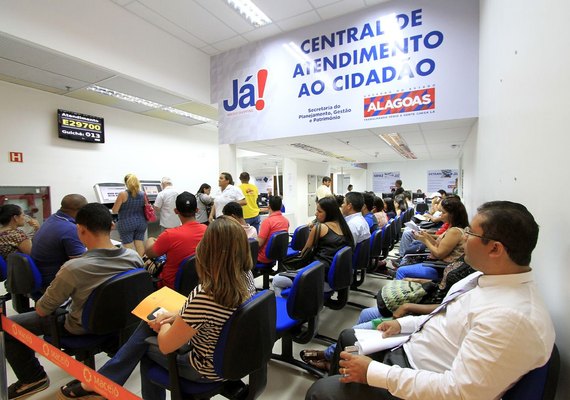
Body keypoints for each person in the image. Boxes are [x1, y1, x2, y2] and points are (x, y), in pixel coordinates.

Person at [306, 201, 555, 400]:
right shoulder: (486, 279)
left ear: (495, 249)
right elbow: (446, 315)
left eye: (471, 233)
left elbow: (460, 392)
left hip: (421, 376)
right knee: (349, 337)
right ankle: (342, 382)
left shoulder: (512, 319)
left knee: (319, 392)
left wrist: (373, 372)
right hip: (413, 349)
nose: (464, 238)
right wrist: (405, 325)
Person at [59, 216, 256, 400]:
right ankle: (102, 380)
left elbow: (165, 346)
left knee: (147, 343)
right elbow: (209, 314)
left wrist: (161, 322)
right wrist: (175, 316)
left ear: (207, 249)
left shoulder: (206, 294)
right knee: (150, 326)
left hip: (204, 368)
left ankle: (101, 381)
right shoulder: (245, 276)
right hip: (228, 354)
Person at [6, 203, 143, 400]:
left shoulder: (73, 268)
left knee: (12, 327)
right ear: (112, 226)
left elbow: (43, 310)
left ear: (80, 229)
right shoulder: (134, 256)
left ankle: (33, 378)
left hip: (80, 326)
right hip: (121, 323)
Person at [301, 258, 476, 372]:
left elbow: (444, 307)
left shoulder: (478, 287)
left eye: (471, 232)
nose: (466, 234)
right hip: (425, 303)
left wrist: (408, 306)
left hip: (421, 312)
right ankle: (337, 357)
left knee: (354, 333)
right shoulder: (469, 268)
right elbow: (442, 288)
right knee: (366, 313)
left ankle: (331, 357)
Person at [272, 196, 354, 296]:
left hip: (318, 278)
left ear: (329, 212)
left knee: (276, 280)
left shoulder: (320, 228)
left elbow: (304, 254)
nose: (316, 214)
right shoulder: (344, 227)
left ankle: (286, 310)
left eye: (319, 211)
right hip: (333, 279)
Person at [395, 197, 468, 280]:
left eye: (443, 213)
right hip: (440, 264)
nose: (441, 215)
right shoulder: (453, 228)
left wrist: (425, 240)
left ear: (452, 215)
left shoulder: (454, 231)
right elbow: (438, 245)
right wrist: (426, 236)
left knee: (401, 271)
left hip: (442, 268)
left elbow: (438, 253)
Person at [144, 192, 207, 289]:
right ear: (197, 210)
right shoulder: (207, 230)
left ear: (176, 211)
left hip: (171, 286)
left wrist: (150, 239)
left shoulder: (169, 235)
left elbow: (150, 253)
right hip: (199, 282)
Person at [31, 194, 88, 288]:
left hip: (39, 275)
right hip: (52, 281)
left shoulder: (52, 218)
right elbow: (81, 264)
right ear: (81, 211)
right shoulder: (70, 229)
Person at [112, 173, 147, 256]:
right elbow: (146, 206)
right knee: (139, 243)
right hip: (141, 222)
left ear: (126, 183)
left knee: (129, 247)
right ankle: (143, 264)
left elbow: (114, 211)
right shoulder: (143, 194)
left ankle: (132, 265)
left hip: (126, 223)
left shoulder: (123, 194)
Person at [257, 196, 289, 264]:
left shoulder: (267, 222)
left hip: (264, 257)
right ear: (281, 206)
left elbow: (259, 243)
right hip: (277, 254)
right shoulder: (286, 221)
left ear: (269, 206)